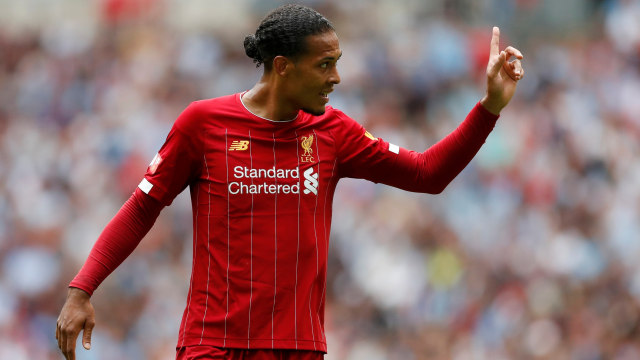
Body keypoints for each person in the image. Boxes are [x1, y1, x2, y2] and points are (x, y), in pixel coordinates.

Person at [56, 4, 523, 360]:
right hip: (213, 344)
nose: (336, 78)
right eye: (324, 65)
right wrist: (82, 290)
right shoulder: (204, 124)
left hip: (298, 347)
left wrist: (490, 107)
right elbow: (142, 207)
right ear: (282, 66)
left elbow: (427, 173)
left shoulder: (333, 132)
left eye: (337, 62)